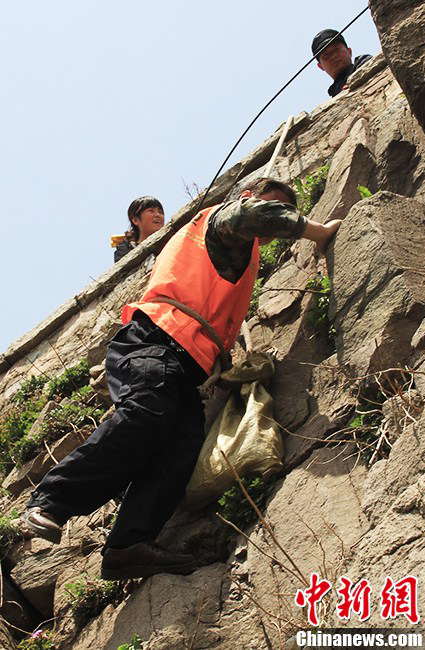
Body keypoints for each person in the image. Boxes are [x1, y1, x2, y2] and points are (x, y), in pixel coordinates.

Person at [21, 178, 341, 580]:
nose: (280, 216)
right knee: (146, 413)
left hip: (186, 360)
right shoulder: (226, 220)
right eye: (275, 204)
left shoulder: (238, 250)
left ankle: (128, 547)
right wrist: (319, 231)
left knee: (179, 449)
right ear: (247, 197)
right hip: (155, 339)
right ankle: (51, 501)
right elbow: (255, 213)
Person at [311, 29, 372, 98]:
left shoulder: (365, 62)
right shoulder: (334, 94)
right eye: (326, 56)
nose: (333, 56)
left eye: (336, 50)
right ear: (321, 66)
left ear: (349, 51)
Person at [112, 196, 164, 263]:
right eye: (151, 211)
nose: (158, 215)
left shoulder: (170, 242)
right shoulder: (125, 250)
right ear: (135, 220)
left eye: (160, 212)